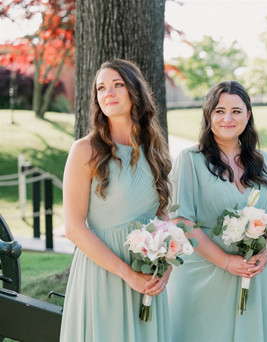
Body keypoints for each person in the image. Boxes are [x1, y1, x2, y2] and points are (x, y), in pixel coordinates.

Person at [167, 80, 267, 341]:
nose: (228, 118)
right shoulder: (191, 159)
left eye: (236, 111)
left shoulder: (263, 160)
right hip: (204, 275)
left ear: (248, 115)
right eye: (219, 111)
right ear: (208, 115)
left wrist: (264, 256)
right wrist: (226, 261)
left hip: (254, 275)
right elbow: (181, 221)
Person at [60, 59, 173, 341]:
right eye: (101, 88)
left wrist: (167, 265)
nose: (107, 93)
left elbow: (163, 217)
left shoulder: (155, 149)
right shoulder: (85, 150)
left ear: (135, 91)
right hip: (104, 276)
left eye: (117, 85)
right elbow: (73, 228)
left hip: (149, 276)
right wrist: (127, 274)